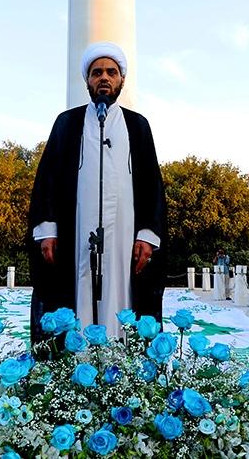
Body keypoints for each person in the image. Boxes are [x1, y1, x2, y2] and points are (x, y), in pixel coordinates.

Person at [28, 42, 166, 341]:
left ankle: (119, 356)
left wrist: (147, 234)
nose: (104, 77)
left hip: (124, 236)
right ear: (87, 81)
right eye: (97, 72)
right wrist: (48, 230)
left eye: (111, 72)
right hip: (75, 234)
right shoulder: (67, 123)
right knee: (75, 291)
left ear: (121, 80)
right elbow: (48, 178)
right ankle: (78, 357)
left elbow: (152, 184)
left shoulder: (137, 125)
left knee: (122, 293)